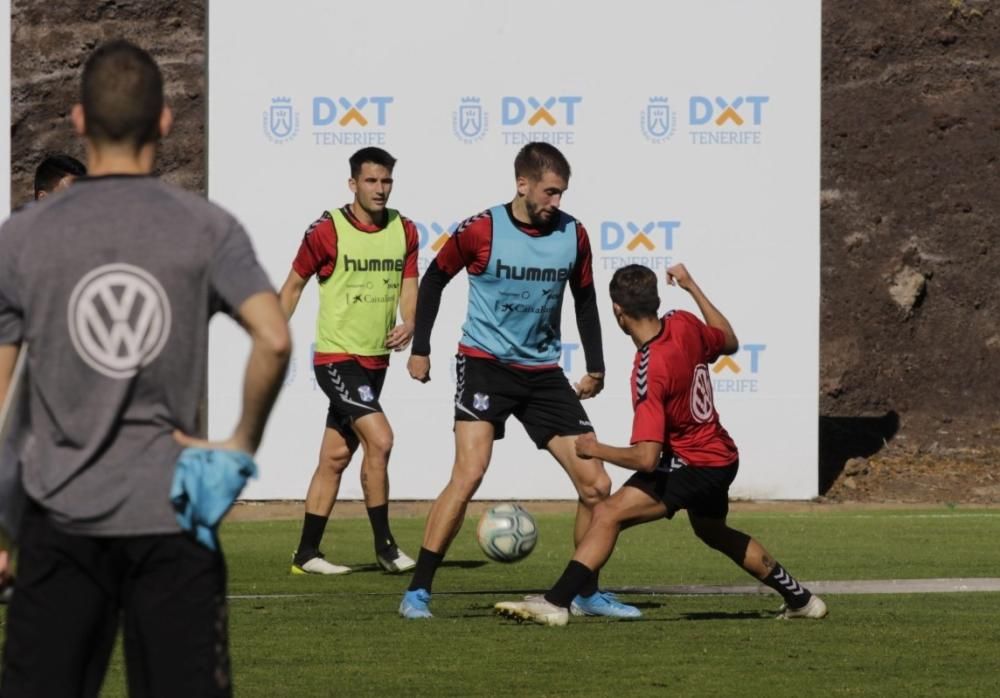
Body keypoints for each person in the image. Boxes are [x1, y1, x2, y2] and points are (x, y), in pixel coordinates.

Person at [0, 39, 291, 696]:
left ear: (78, 120)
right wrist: (236, 449)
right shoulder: (207, 227)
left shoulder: (21, 238)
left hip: (59, 523)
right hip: (172, 520)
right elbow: (274, 338)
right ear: (164, 121)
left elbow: (1, 402)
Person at [494, 263, 828, 625]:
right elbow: (728, 340)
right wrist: (692, 286)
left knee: (607, 513)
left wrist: (596, 448)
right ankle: (802, 600)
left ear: (617, 312)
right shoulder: (683, 322)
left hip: (695, 463)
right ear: (655, 301)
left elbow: (647, 458)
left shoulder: (649, 369)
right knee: (712, 531)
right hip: (720, 457)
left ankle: (557, 602)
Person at [399, 142, 638, 620]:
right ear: (522, 184)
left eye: (562, 193)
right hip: (484, 364)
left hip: (543, 374)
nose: (556, 202)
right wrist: (420, 347)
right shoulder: (482, 228)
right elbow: (434, 279)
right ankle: (418, 591)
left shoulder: (574, 234)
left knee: (596, 482)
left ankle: (585, 591)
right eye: (549, 192)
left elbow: (586, 300)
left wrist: (596, 366)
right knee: (469, 473)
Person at [280, 146, 418, 575]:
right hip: (337, 359)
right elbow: (293, 287)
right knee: (381, 440)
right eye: (372, 181)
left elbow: (409, 284)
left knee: (335, 457)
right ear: (353, 184)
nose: (380, 189)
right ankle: (387, 547)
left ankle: (306, 554)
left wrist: (409, 322)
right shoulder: (327, 230)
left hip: (376, 363)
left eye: (386, 181)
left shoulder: (405, 229)